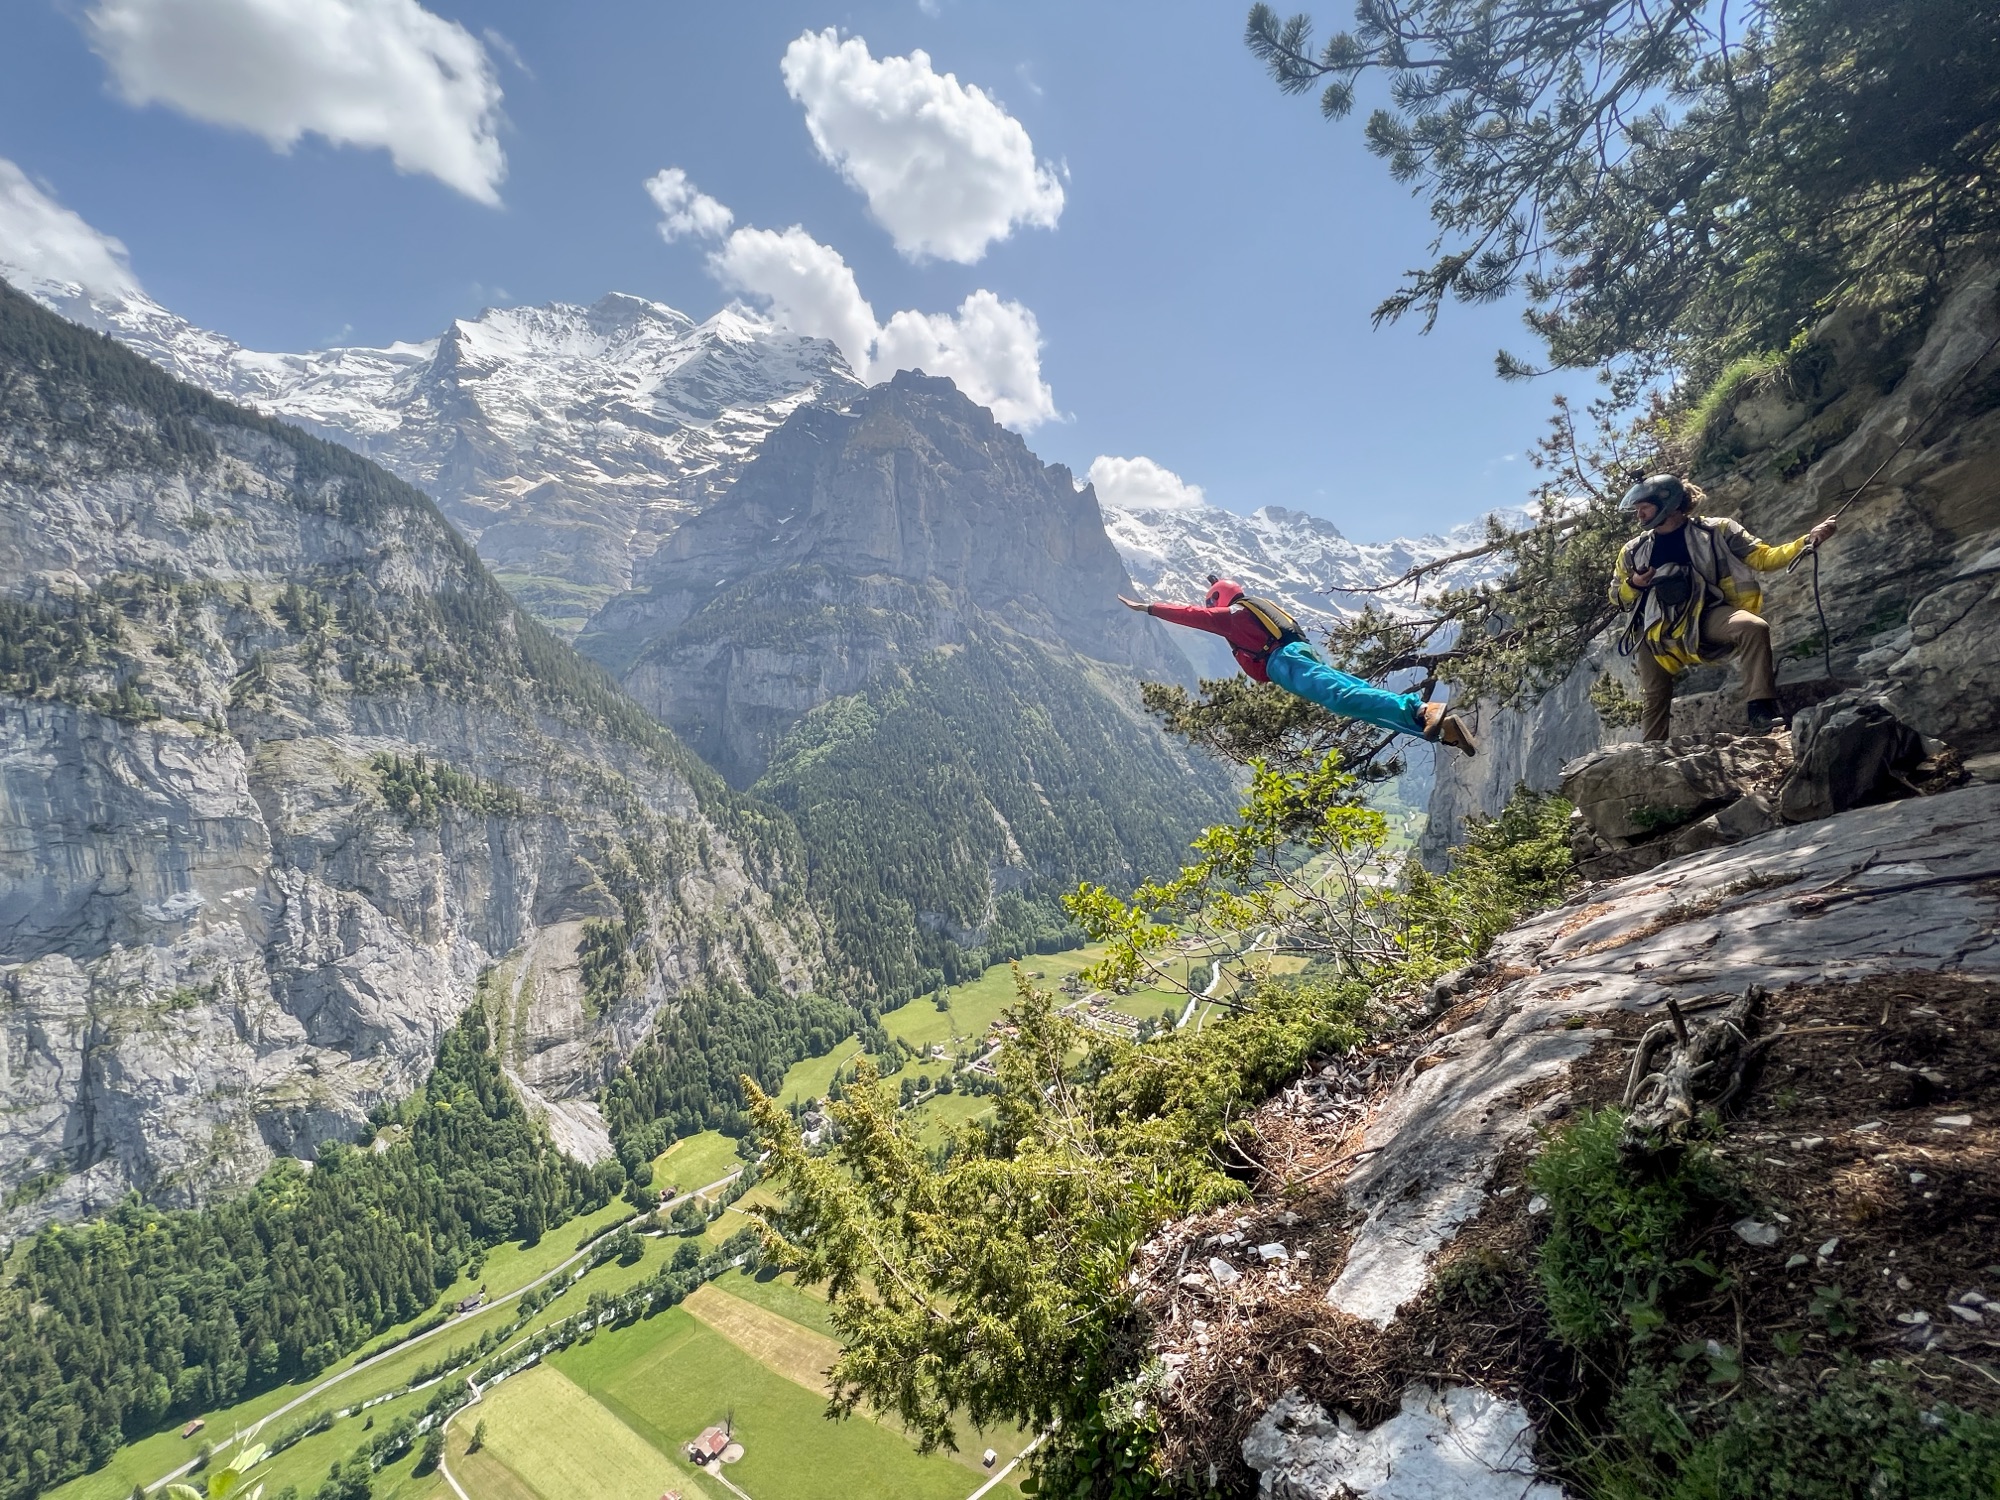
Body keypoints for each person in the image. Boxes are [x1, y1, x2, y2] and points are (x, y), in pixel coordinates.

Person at [1117, 577, 1477, 755]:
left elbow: (1191, 615)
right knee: (1352, 693)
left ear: (1218, 600)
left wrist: (1148, 607)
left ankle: (1421, 710)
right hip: (1299, 654)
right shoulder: (1257, 608)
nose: (1213, 612)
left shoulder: (1233, 616)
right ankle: (1437, 727)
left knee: (1341, 699)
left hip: (1284, 663)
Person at [1610, 474, 1838, 740]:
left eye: (1644, 508)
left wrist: (1807, 541)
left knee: (1753, 628)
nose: (1639, 515)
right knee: (1654, 695)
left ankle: (1760, 710)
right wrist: (1634, 584)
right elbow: (1616, 596)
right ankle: (1650, 753)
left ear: (1668, 505)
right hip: (1656, 630)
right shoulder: (1633, 550)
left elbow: (1763, 558)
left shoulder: (1718, 530)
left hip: (1706, 615)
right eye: (1637, 509)